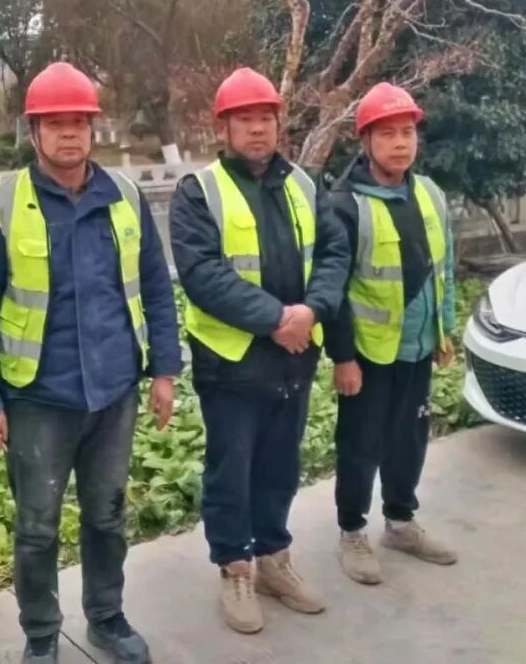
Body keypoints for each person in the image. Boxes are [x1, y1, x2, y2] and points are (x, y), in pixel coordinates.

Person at [0, 61, 182, 664]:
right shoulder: (2, 204)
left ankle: (106, 618)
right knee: (37, 527)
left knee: (107, 516)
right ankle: (40, 636)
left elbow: (155, 287)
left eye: (78, 122)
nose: (68, 134)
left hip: (113, 393)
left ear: (92, 128)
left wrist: (164, 370)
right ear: (33, 132)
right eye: (54, 124)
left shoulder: (124, 197)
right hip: (38, 397)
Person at [169, 68, 350, 634]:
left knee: (280, 465)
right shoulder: (198, 193)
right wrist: (275, 320)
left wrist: (311, 312)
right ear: (223, 128)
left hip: (294, 357)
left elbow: (334, 254)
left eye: (266, 118)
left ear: (278, 123)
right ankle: (235, 567)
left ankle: (273, 558)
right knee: (232, 469)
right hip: (231, 365)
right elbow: (203, 274)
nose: (257, 128)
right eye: (244, 119)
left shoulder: (305, 185)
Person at [327, 81, 458, 586]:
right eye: (387, 134)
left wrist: (444, 327)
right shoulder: (346, 205)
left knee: (410, 438)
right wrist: (343, 357)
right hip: (369, 353)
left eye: (407, 132)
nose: (401, 143)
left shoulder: (430, 195)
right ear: (366, 141)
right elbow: (333, 290)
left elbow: (443, 266)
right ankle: (352, 531)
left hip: (419, 346)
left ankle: (400, 522)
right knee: (360, 443)